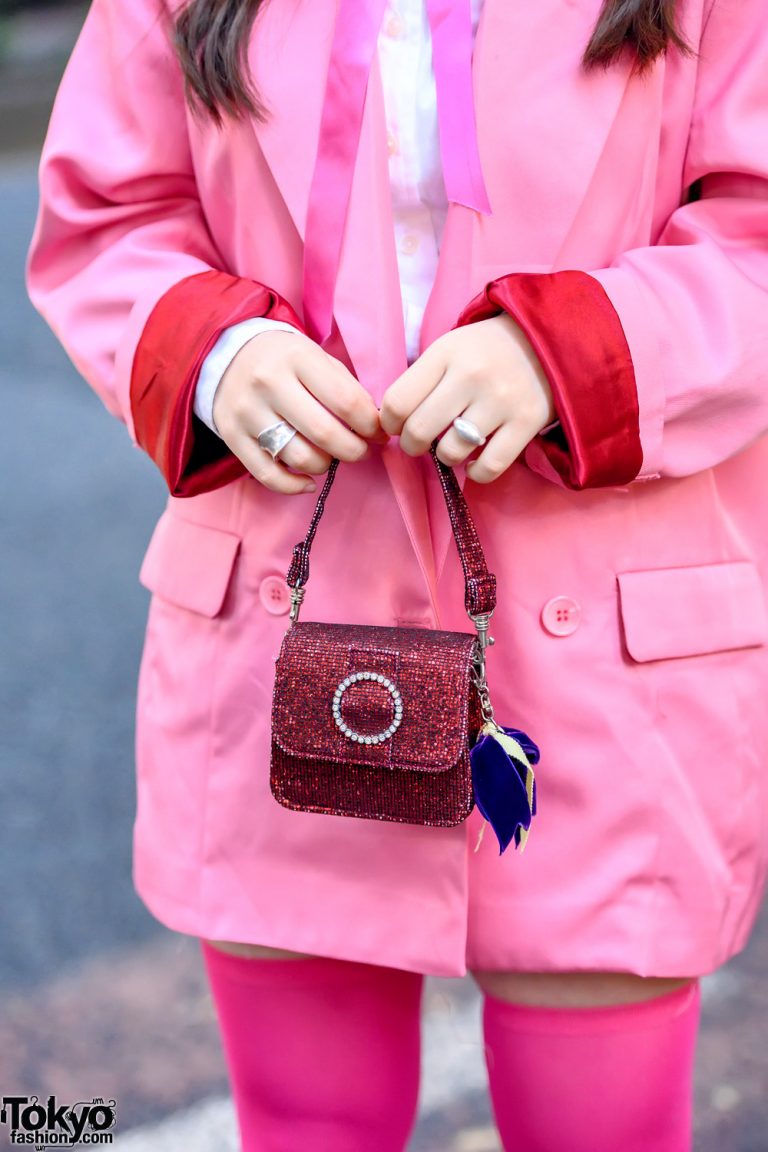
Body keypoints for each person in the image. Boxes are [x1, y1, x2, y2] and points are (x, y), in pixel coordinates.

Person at [27, 0, 768, 1148]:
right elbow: (109, 211)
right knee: (307, 1124)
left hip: (610, 644)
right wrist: (212, 349)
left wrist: (580, 352)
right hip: (286, 623)